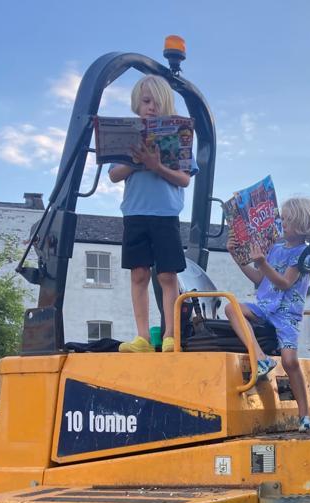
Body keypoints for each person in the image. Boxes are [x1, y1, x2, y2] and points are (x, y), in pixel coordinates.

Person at [108, 75, 197, 352]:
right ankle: (143, 337)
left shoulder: (179, 136)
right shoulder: (127, 137)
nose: (151, 107)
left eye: (157, 102)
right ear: (137, 103)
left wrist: (156, 166)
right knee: (139, 274)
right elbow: (114, 175)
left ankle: (170, 334)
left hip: (165, 215)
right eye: (146, 101)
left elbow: (184, 179)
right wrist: (137, 162)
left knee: (167, 276)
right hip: (135, 213)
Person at [225, 197, 310, 432]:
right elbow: (260, 279)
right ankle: (261, 358)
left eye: (287, 219)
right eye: (282, 218)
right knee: (231, 308)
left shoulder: (304, 254)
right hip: (265, 307)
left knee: (290, 361)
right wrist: (237, 257)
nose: (282, 223)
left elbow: (284, 283)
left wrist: (262, 262)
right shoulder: (275, 249)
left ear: (302, 224)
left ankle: (304, 415)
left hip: (287, 314)